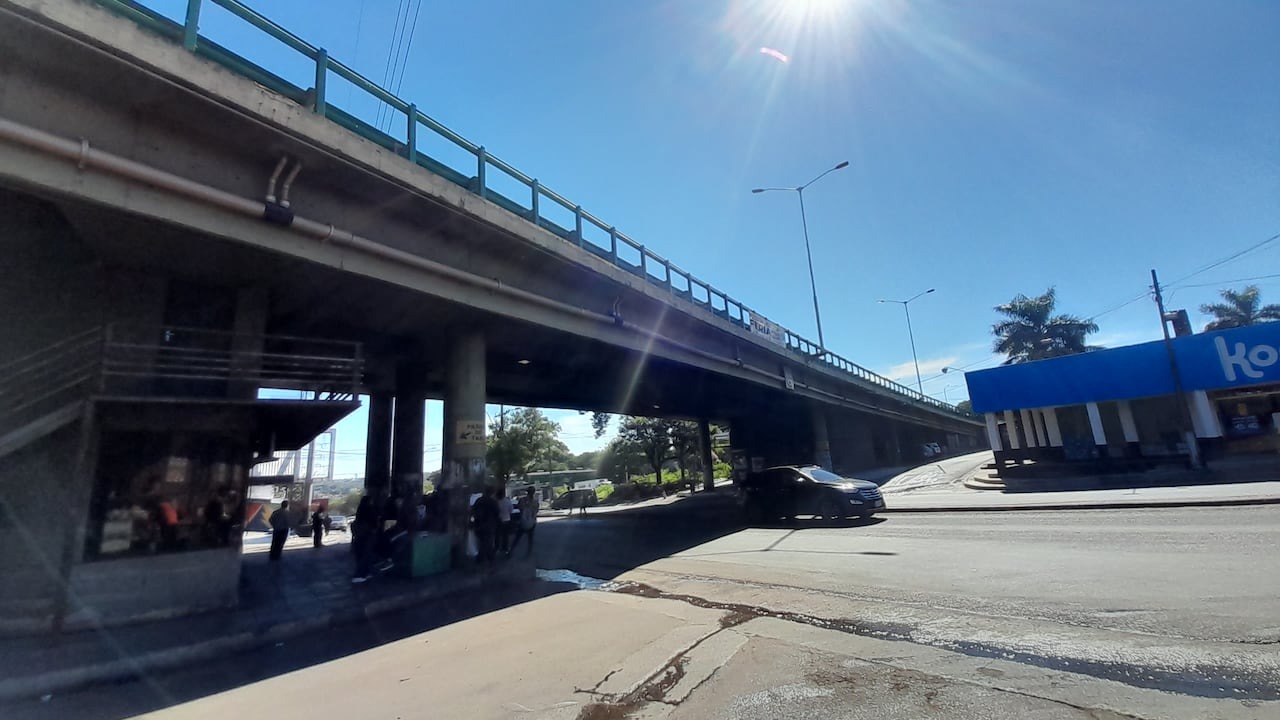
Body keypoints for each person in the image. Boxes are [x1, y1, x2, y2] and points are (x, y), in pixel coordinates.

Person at [351, 495, 377, 583]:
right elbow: (374, 521)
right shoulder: (370, 509)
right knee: (366, 554)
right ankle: (361, 574)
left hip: (360, 534)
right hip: (368, 533)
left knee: (362, 554)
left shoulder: (360, 510)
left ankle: (365, 572)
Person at [470, 487, 499, 564]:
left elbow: (473, 510)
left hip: (479, 524)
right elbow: (497, 513)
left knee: (483, 541)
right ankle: (488, 558)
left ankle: (482, 558)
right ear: (492, 493)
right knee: (488, 542)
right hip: (489, 525)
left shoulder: (479, 500)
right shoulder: (493, 502)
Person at [509, 487, 539, 557]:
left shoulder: (522, 500)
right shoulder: (535, 502)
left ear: (527, 492)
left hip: (523, 521)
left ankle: (511, 551)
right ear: (533, 492)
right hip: (532, 521)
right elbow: (536, 511)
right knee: (530, 538)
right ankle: (529, 553)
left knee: (517, 537)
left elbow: (519, 508)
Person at [495, 487, 513, 555]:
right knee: (505, 535)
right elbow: (511, 510)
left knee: (498, 535)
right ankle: (505, 547)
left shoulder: (496, 502)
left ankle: (497, 547)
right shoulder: (507, 501)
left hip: (499, 520)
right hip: (507, 519)